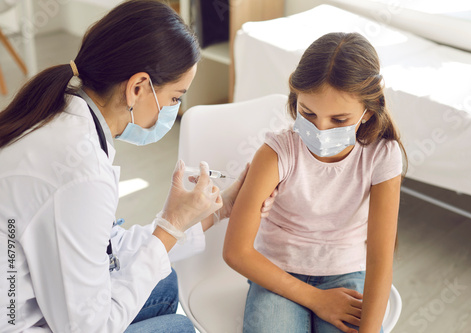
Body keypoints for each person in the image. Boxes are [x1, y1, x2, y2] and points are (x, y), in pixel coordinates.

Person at [0, 1, 275, 332]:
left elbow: (105, 249)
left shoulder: (62, 113)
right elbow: (89, 328)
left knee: (165, 284)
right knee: (180, 328)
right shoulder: (81, 174)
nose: (175, 108)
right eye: (175, 98)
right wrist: (169, 228)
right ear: (138, 87)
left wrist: (217, 211)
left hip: (25, 292)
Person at [223, 32, 407, 333]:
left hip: (346, 270)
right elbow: (235, 251)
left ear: (367, 112)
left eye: (339, 120)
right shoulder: (276, 153)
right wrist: (317, 299)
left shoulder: (383, 155)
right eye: (308, 113)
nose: (320, 129)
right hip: (277, 271)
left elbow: (379, 259)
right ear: (296, 99)